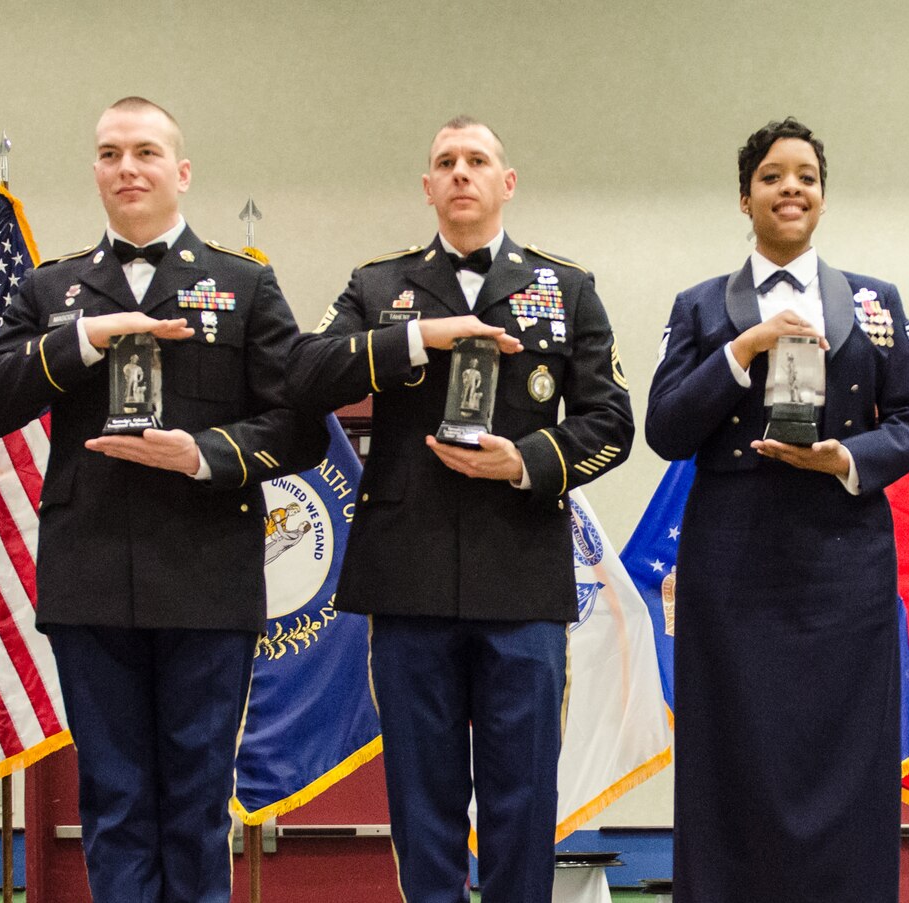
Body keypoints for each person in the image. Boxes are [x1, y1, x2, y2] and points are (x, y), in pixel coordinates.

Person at [0, 96, 326, 903]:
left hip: (206, 578)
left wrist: (204, 454)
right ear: (95, 170)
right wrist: (79, 340)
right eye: (111, 153)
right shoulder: (52, 288)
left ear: (181, 171)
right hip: (91, 578)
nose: (128, 167)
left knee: (195, 800)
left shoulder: (244, 283)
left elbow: (299, 428)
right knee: (115, 800)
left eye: (147, 152)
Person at [286, 115, 633, 903]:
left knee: (521, 800)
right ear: (428, 186)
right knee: (422, 799)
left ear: (506, 183)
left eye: (478, 160)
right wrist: (417, 338)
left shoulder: (565, 287)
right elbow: (303, 375)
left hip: (521, 579)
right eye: (446, 162)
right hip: (407, 581)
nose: (461, 173)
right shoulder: (379, 286)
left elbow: (613, 422)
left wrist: (527, 461)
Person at [643, 117, 909, 902]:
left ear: (823, 195)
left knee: (846, 762)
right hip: (734, 570)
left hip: (844, 569)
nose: (791, 188)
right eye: (773, 176)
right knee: (731, 763)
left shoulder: (876, 301)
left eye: (806, 175)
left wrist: (845, 458)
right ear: (745, 198)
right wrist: (742, 351)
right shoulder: (702, 307)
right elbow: (667, 428)